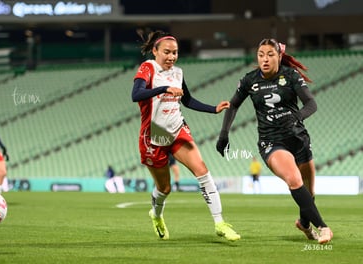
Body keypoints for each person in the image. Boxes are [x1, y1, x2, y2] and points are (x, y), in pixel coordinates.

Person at [216, 38, 333, 244]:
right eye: (261, 55)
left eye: (270, 54)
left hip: (298, 139)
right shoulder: (249, 80)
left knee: (309, 191)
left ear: (279, 56)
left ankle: (304, 224)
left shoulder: (290, 75)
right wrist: (224, 134)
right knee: (294, 180)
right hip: (271, 141)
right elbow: (233, 105)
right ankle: (323, 227)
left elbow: (311, 103)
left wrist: (297, 117)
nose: (265, 59)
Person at [131, 30, 240, 241]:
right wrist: (164, 89)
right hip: (153, 136)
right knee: (164, 188)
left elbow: (188, 101)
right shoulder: (148, 68)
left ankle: (219, 222)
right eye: (167, 52)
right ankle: (156, 215)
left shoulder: (178, 73)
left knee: (203, 171)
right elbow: (136, 95)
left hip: (177, 129)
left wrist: (213, 109)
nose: (171, 57)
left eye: (175, 53)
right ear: (155, 51)